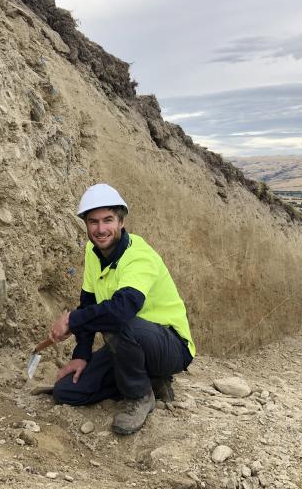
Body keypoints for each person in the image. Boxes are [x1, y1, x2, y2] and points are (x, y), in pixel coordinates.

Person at [48, 183, 195, 435]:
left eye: (108, 220)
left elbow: (122, 309)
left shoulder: (139, 255)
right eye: (93, 222)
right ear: (85, 224)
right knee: (66, 391)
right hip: (128, 341)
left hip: (170, 346)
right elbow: (89, 304)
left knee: (118, 319)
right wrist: (81, 354)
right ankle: (150, 380)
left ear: (121, 221)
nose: (101, 229)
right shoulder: (93, 252)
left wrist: (72, 320)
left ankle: (139, 396)